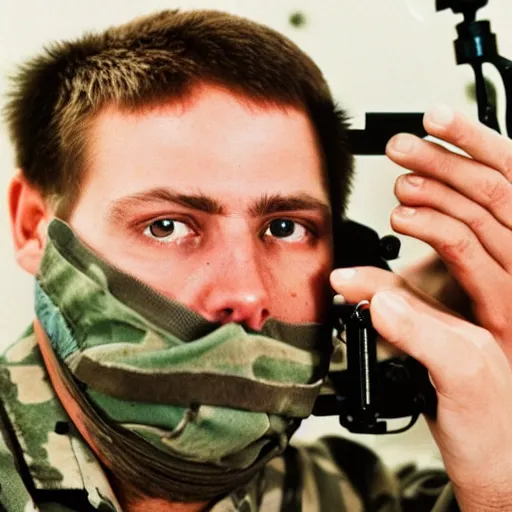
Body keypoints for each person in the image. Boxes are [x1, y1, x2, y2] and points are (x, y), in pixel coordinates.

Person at [1, 9, 511, 512]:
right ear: (32, 226)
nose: (246, 293)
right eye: (166, 226)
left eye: (284, 228)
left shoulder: (358, 496)